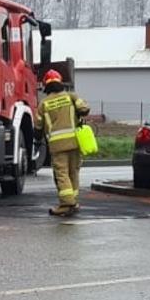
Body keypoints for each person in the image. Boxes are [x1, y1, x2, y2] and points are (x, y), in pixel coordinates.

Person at [34, 68, 92, 217]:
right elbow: (85, 109)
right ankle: (74, 201)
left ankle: (67, 204)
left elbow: (38, 127)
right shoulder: (71, 96)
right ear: (60, 83)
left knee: (61, 174)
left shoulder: (44, 104)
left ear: (46, 85)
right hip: (74, 141)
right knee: (74, 172)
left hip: (57, 145)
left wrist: (37, 141)